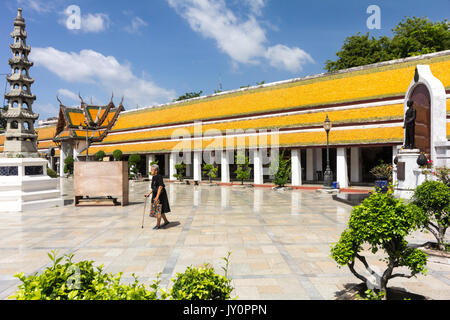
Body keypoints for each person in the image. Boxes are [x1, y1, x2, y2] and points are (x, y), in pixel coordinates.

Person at [145, 164, 170, 230]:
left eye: (152, 170)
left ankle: (158, 225)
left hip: (160, 195)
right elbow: (154, 188)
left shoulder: (159, 176)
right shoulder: (153, 177)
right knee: (160, 210)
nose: (151, 171)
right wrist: (149, 194)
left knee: (158, 210)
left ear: (156, 171)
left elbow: (160, 187)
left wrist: (157, 197)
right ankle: (166, 221)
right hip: (155, 194)